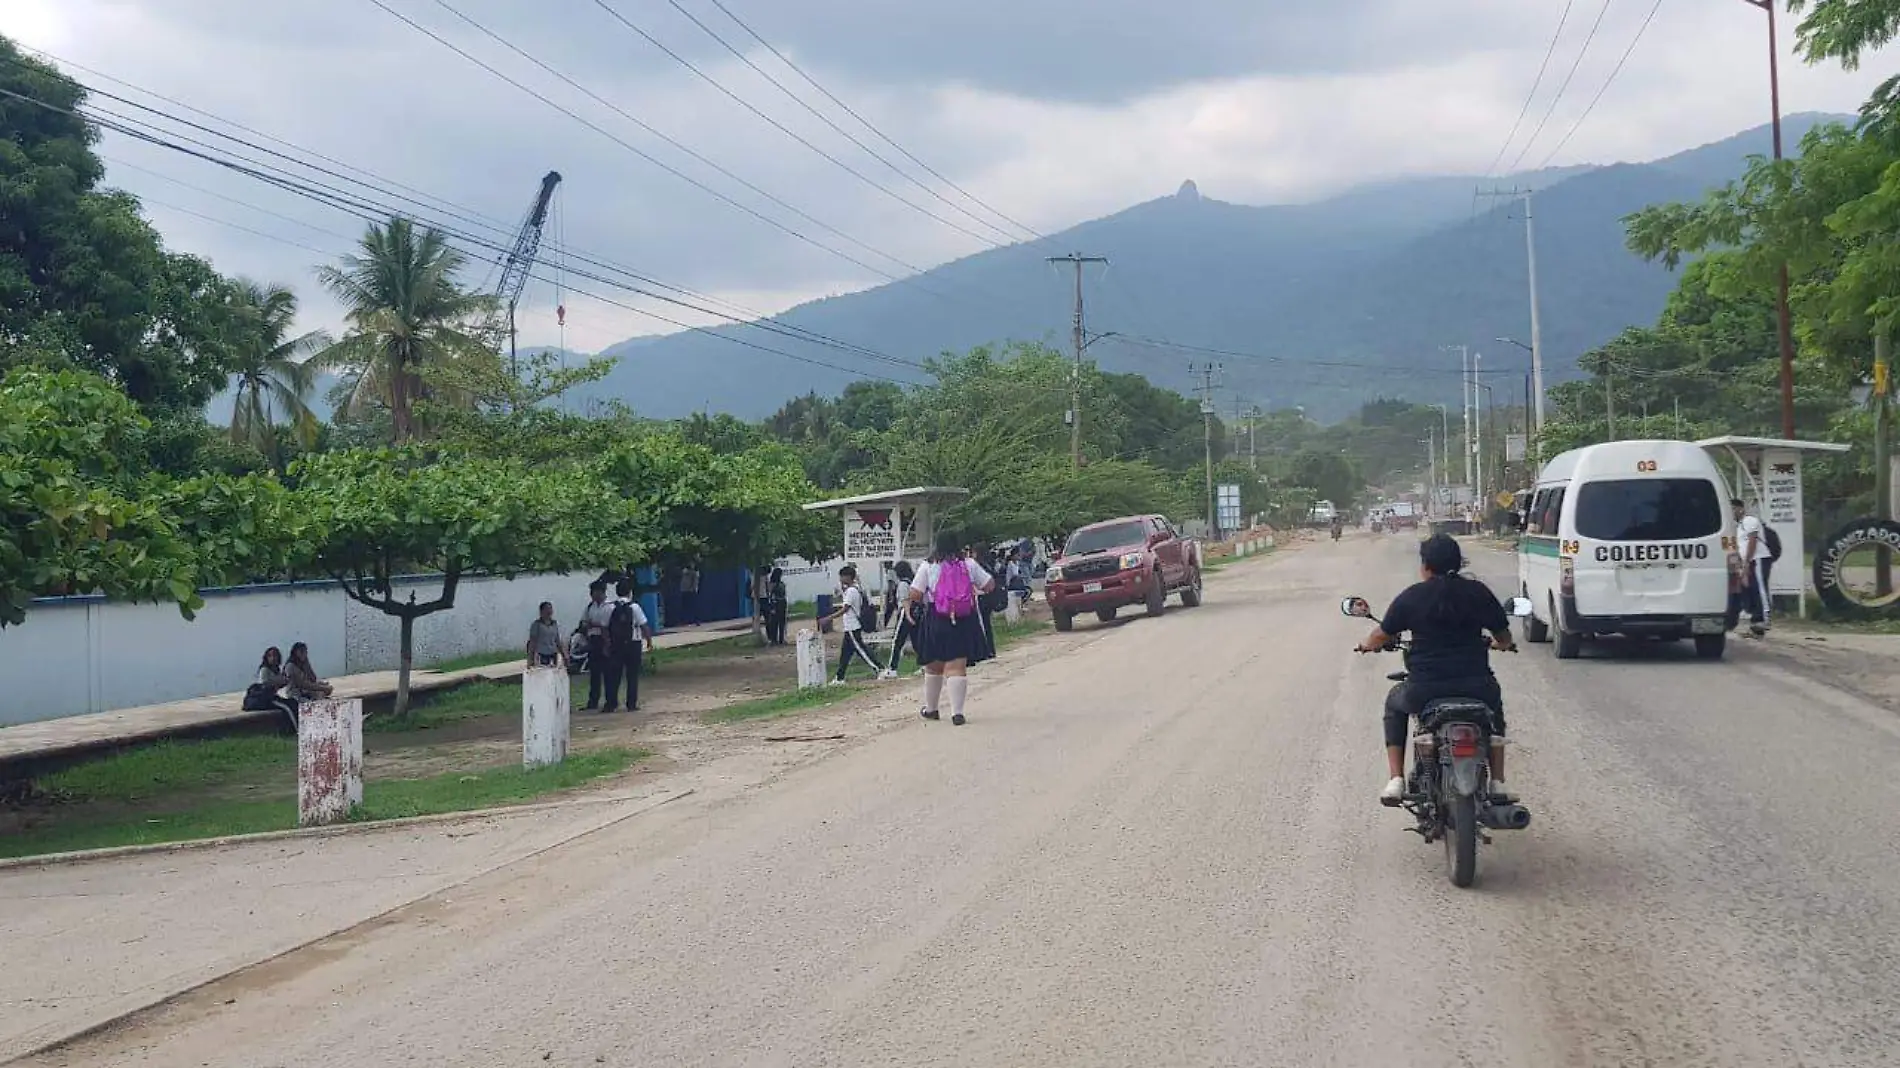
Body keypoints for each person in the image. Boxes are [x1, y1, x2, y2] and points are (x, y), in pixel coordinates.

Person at [1354, 534, 1515, 805]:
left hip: (1425, 690)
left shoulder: (1412, 596)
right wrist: (1499, 645)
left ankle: (1396, 779)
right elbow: (1505, 638)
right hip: (1477, 687)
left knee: (1394, 703)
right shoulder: (1478, 592)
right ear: (1459, 562)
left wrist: (1366, 645)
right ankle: (1497, 781)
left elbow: (1381, 634)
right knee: (1494, 713)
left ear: (1425, 565)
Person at [908, 530, 997, 726]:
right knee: (957, 666)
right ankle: (957, 713)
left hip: (936, 617)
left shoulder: (929, 565)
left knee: (933, 664)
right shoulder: (968, 564)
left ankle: (931, 709)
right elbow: (990, 585)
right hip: (963, 618)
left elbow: (915, 593)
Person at [827, 565, 886, 684]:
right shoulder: (856, 588)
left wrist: (829, 618)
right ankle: (839, 677)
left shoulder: (851, 591)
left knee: (861, 650)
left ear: (848, 577)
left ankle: (880, 669)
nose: (840, 579)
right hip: (850, 627)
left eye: (842, 576)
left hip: (852, 626)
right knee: (845, 654)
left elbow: (845, 608)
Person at [603, 579, 653, 713]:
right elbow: (644, 625)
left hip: (616, 645)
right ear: (630, 592)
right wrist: (649, 641)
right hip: (633, 644)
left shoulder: (610, 607)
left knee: (614, 676)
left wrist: (607, 644)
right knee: (632, 675)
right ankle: (631, 704)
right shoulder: (634, 607)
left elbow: (604, 628)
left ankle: (611, 703)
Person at [1732, 498, 1771, 637]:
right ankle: (1756, 621)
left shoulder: (1749, 521)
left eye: (1734, 509)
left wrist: (1747, 561)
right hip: (1748, 561)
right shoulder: (1738, 526)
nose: (1732, 512)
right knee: (1750, 589)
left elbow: (1752, 541)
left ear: (1740, 508)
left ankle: (1765, 617)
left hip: (1758, 558)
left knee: (1760, 588)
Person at [580, 581, 616, 710]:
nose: (592, 595)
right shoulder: (590, 607)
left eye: (594, 592)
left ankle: (610, 702)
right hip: (593, 640)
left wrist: (597, 625)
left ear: (601, 592)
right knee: (594, 673)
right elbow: (584, 622)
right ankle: (593, 701)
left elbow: (610, 627)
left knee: (608, 673)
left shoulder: (611, 607)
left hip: (606, 640)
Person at [243, 646, 299, 728]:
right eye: (270, 656)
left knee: (293, 702)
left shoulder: (277, 670)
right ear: (266, 658)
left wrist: (284, 682)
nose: (273, 658)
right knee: (287, 708)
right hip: (267, 698)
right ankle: (296, 728)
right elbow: (264, 685)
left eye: (275, 656)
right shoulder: (264, 670)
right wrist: (278, 683)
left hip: (273, 695)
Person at [886, 560, 918, 674]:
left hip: (905, 613)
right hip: (913, 612)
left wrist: (908, 616)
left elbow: (905, 601)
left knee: (897, 641)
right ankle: (925, 664)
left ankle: (892, 669)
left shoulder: (903, 584)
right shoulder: (912, 581)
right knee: (916, 640)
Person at [525, 601, 568, 669]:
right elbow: (532, 642)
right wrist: (530, 659)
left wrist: (564, 655)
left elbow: (557, 640)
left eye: (550, 609)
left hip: (553, 654)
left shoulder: (554, 624)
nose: (549, 611)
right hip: (541, 654)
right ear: (541, 611)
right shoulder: (537, 625)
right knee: (543, 673)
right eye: (547, 609)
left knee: (553, 673)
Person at [763, 567, 789, 645]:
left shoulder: (779, 583)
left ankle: (779, 639)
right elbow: (771, 595)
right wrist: (772, 606)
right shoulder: (774, 584)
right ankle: (776, 639)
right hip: (777, 603)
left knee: (780, 622)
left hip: (780, 603)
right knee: (776, 622)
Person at [678, 562, 701, 626]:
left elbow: (695, 581)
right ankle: (686, 620)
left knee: (693, 606)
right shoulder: (686, 572)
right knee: (685, 606)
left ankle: (696, 620)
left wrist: (693, 588)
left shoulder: (694, 573)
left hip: (691, 591)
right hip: (684, 590)